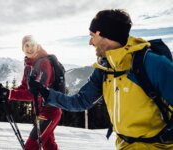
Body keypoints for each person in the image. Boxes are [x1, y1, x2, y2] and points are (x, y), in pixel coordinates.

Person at [28, 9, 173, 149]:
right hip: (125, 146)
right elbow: (80, 101)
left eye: (92, 36)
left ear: (103, 34)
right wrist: (45, 93)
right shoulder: (105, 69)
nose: (90, 42)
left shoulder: (152, 63)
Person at [0, 35, 62, 150]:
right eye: (26, 45)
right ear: (22, 48)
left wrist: (10, 94)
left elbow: (36, 93)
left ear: (37, 45)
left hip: (49, 112)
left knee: (31, 146)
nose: (29, 48)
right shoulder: (29, 65)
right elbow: (25, 87)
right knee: (49, 145)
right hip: (40, 112)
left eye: (32, 45)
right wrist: (6, 93)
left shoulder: (43, 64)